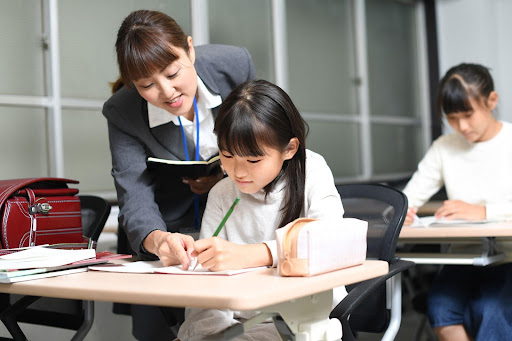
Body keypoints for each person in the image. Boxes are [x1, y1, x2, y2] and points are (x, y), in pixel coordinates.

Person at [102, 9, 255, 341]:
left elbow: (261, 142)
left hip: (236, 220)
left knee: (247, 325)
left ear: (190, 49)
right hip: (170, 232)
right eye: (147, 85)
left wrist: (227, 177)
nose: (167, 92)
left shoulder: (233, 66)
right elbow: (134, 193)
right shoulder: (123, 111)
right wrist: (158, 240)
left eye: (173, 73)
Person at [177, 79, 346, 340]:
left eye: (253, 159)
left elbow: (330, 241)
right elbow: (207, 288)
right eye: (227, 155)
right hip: (239, 321)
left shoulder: (313, 171)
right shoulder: (222, 193)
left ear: (289, 149)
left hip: (302, 317)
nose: (238, 171)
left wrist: (254, 254)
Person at [402, 63, 512, 341]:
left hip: (509, 257)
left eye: (468, 114)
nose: (462, 126)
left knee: (490, 309)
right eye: (452, 118)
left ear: (492, 101)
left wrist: (484, 211)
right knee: (441, 307)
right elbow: (409, 197)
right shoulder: (444, 147)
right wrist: (401, 212)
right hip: (464, 257)